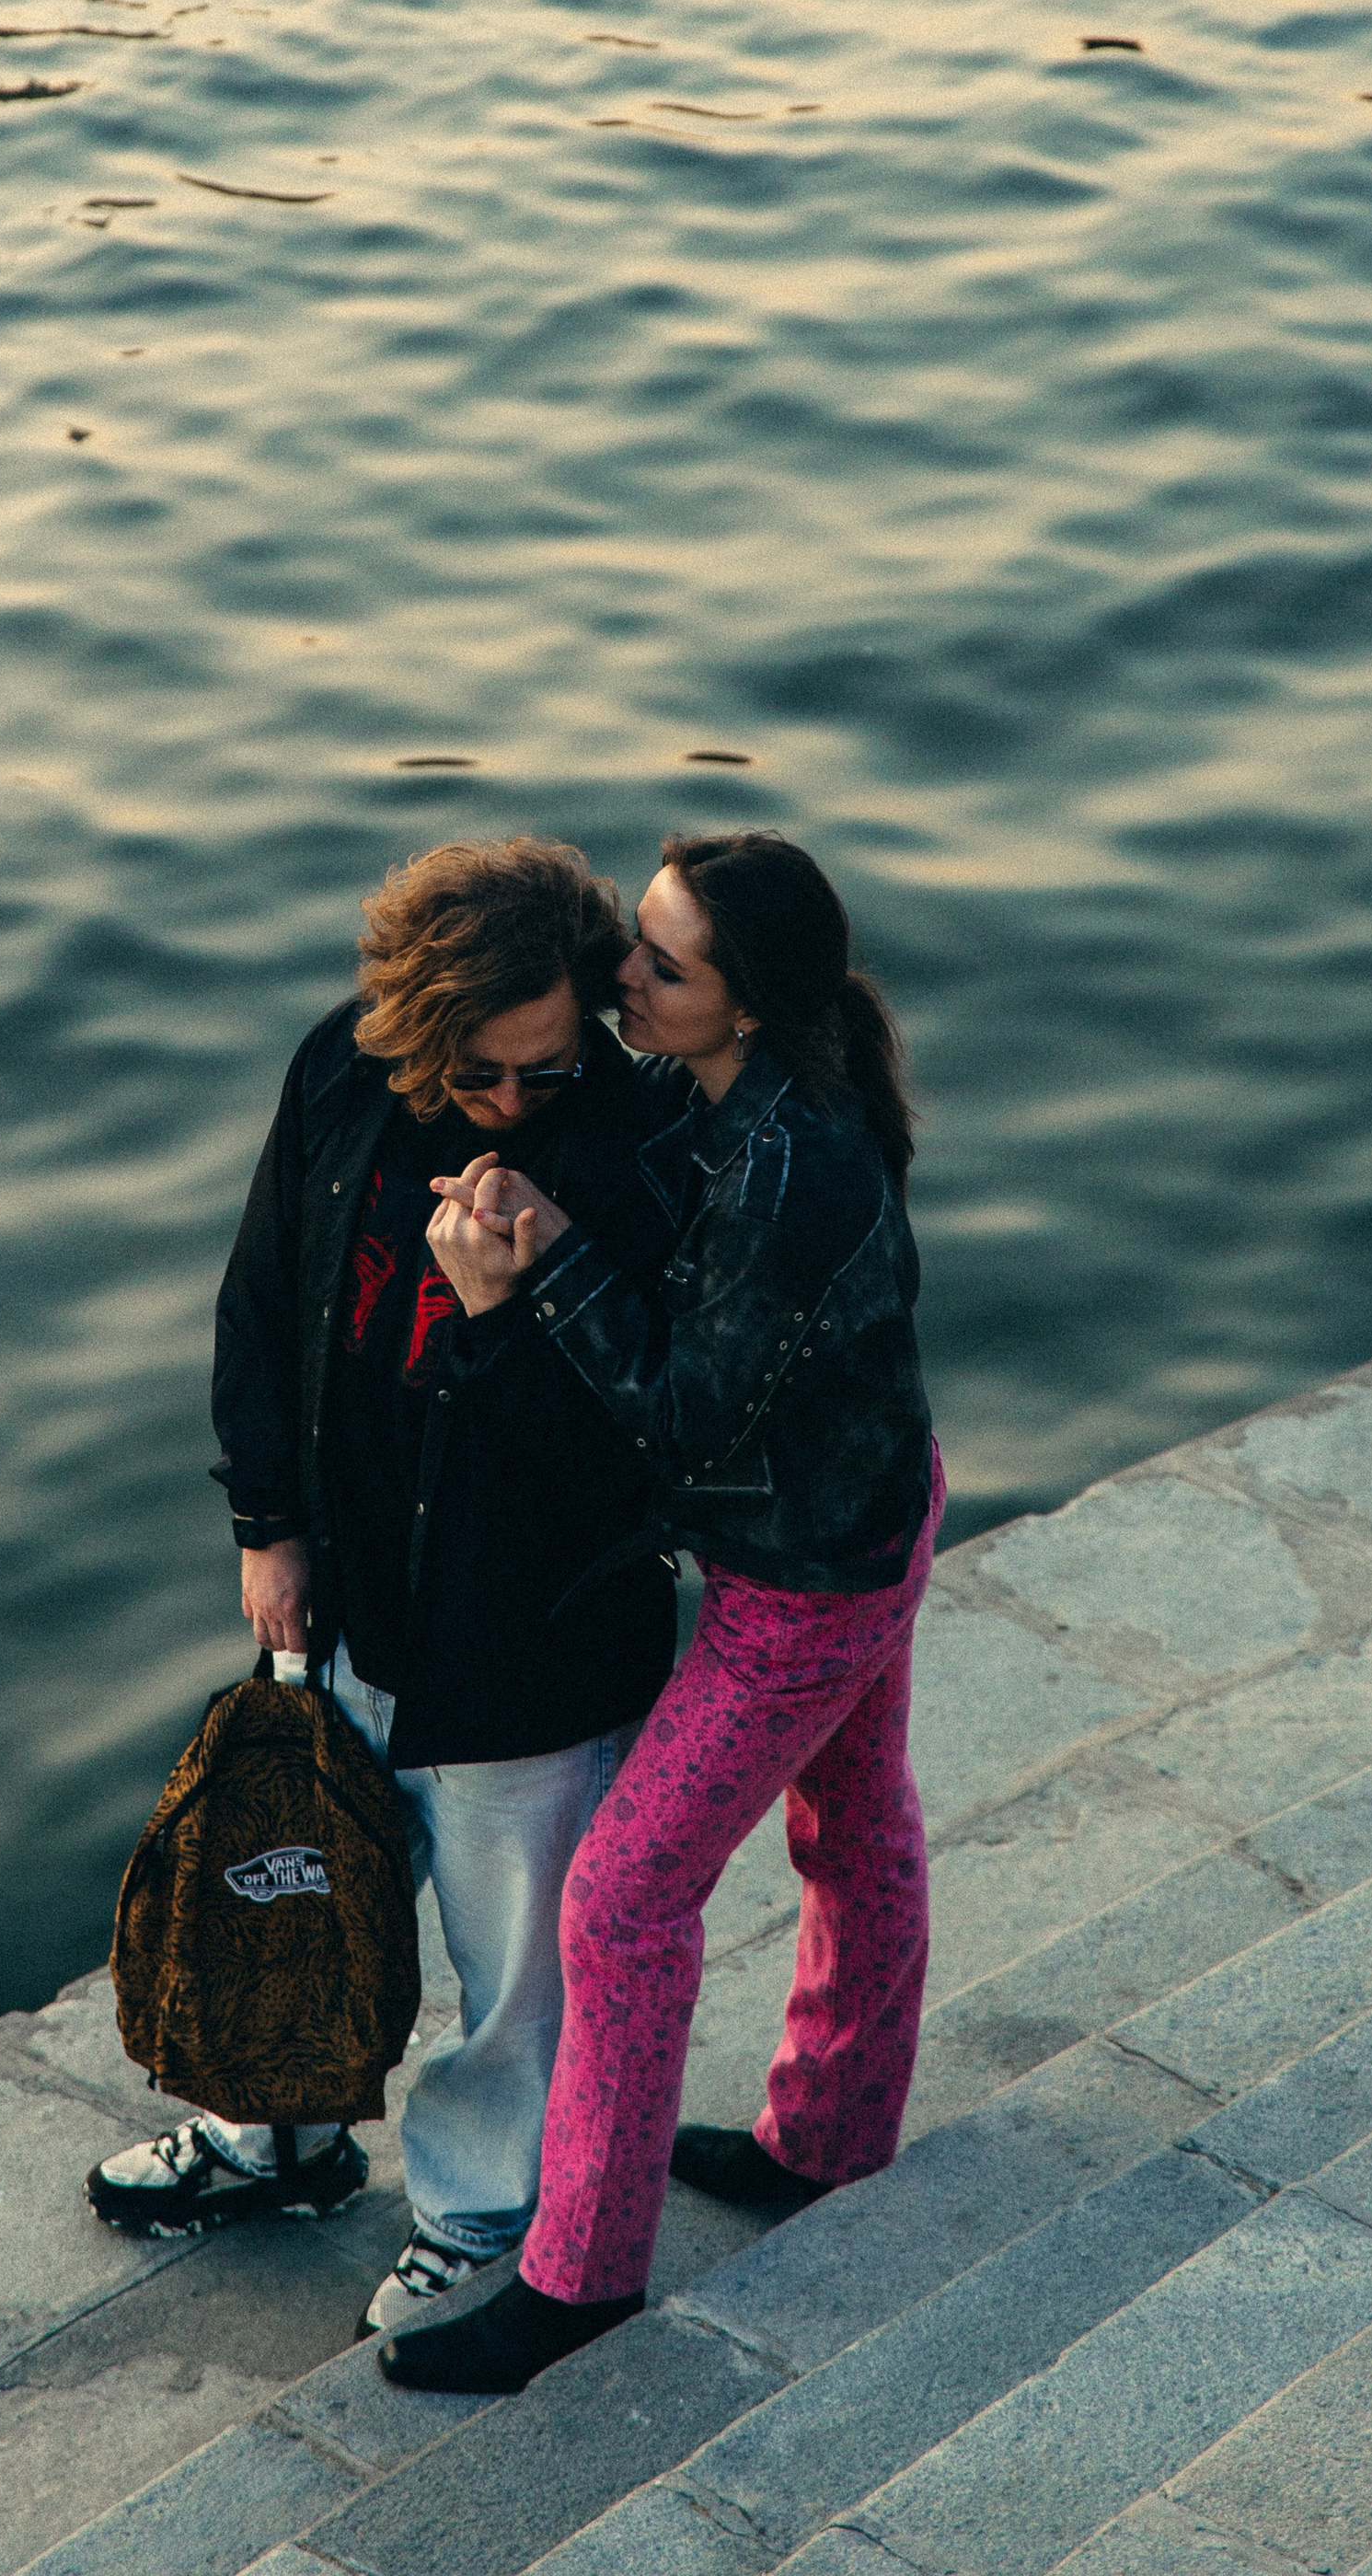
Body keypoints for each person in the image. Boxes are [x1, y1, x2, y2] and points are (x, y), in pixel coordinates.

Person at [85, 837, 681, 2338]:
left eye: (548, 1070)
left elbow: (633, 1460)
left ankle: (479, 2217)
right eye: (483, 1075)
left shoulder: (630, 1148)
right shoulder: (342, 1076)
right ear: (420, 1035)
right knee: (296, 1884)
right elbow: (260, 1302)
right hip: (345, 1591)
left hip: (529, 1638)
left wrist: (512, 1301)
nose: (515, 1107)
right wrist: (266, 1524)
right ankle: (274, 2137)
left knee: (513, 1967)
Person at [381, 829, 940, 2395]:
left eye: (661, 965)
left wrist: (537, 1267)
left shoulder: (777, 1165)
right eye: (639, 933)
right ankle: (827, 2137)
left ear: (742, 1005)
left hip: (804, 1587)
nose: (622, 971)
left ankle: (581, 2275)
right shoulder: (778, 1098)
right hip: (888, 1504)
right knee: (857, 1821)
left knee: (620, 1902)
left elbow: (682, 1422)